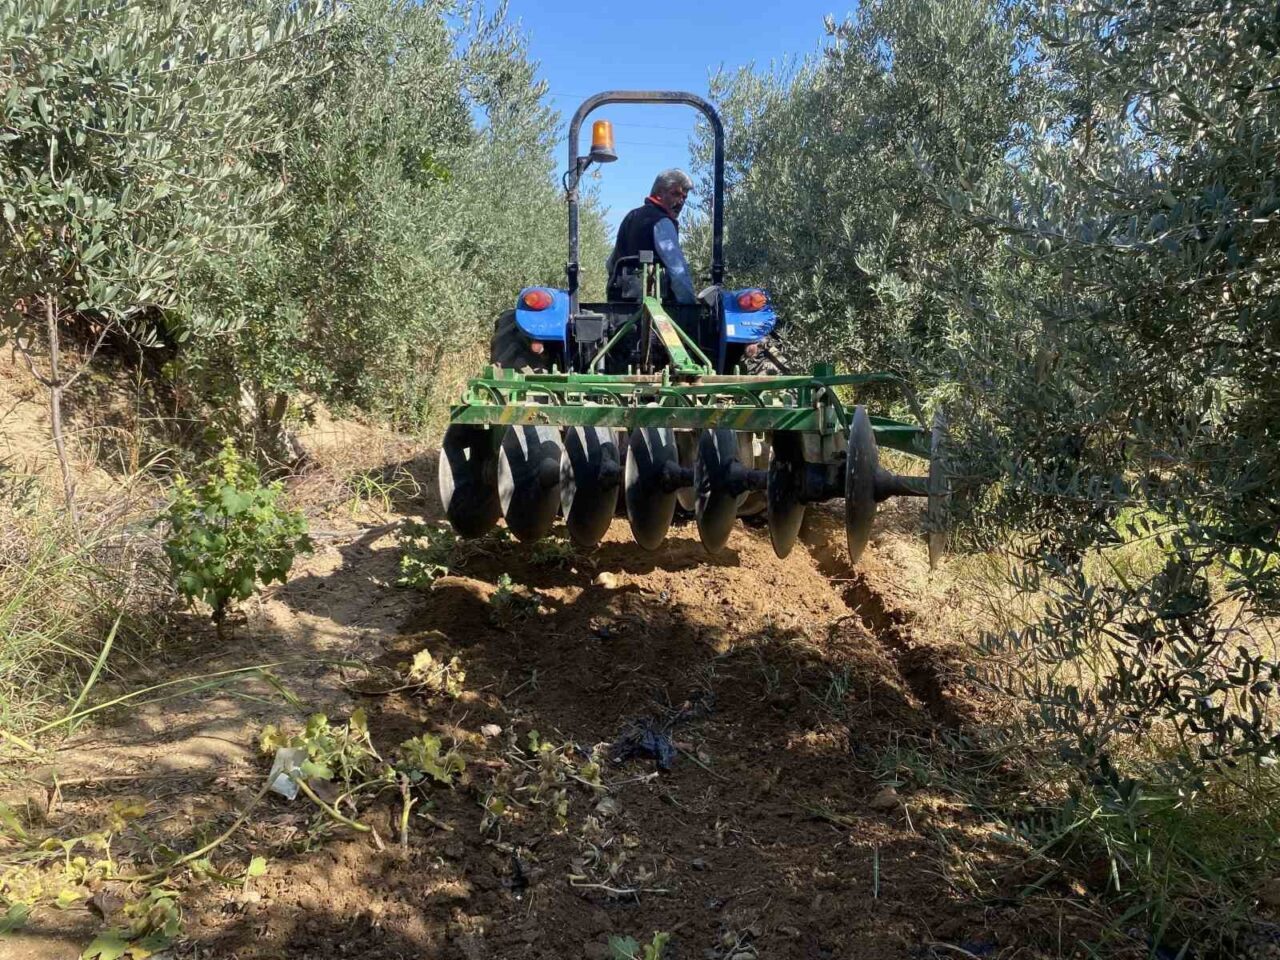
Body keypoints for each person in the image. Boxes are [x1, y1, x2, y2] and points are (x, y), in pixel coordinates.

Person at [606, 169, 697, 304]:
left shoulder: (631, 217)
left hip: (620, 307)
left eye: (684, 197)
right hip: (655, 309)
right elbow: (678, 272)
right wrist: (689, 308)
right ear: (659, 193)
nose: (681, 202)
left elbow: (611, 263)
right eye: (676, 194)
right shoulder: (662, 222)